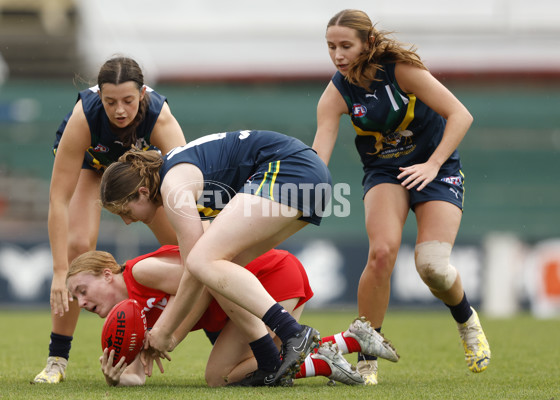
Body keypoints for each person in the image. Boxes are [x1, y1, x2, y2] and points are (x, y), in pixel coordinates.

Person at [311, 9, 490, 384]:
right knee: (380, 254)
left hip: (435, 169)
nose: (338, 55)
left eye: (346, 45)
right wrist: (312, 185)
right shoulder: (335, 94)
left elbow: (460, 115)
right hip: (385, 172)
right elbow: (319, 154)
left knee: (433, 267)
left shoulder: (400, 70)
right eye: (331, 47)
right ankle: (365, 358)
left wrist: (433, 163)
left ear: (369, 44)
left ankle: (467, 322)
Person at [99, 129, 333, 386]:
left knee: (201, 261)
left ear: (142, 192)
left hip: (290, 169)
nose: (127, 221)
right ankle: (269, 360)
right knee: (220, 268)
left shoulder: (172, 188)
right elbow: (205, 282)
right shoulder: (173, 177)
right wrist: (170, 336)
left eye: (125, 210)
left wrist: (165, 332)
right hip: (310, 176)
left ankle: (293, 333)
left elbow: (193, 269)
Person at [33, 56, 187, 384]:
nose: (119, 110)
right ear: (99, 96)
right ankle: (57, 360)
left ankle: (216, 327)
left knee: (185, 246)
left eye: (128, 101)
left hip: (140, 172)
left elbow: (187, 187)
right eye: (110, 101)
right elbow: (58, 199)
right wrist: (61, 271)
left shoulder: (161, 119)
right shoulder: (84, 118)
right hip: (95, 167)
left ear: (143, 94)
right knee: (77, 246)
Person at [65, 246, 399, 386]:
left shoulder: (142, 272)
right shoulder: (131, 318)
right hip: (244, 302)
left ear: (107, 274)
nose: (81, 302)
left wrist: (171, 336)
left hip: (268, 279)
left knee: (220, 376)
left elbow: (207, 280)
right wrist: (117, 376)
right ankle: (346, 342)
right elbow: (140, 374)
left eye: (82, 289)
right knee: (226, 376)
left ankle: (337, 349)